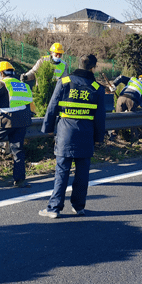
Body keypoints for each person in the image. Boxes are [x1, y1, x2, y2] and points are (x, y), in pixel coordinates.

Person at [39, 54, 106, 219]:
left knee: (62, 171)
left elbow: (52, 107)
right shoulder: (97, 88)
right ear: (93, 67)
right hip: (86, 135)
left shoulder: (64, 82)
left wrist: (47, 128)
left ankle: (54, 208)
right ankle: (79, 206)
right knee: (82, 173)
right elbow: (100, 117)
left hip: (65, 134)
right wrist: (98, 138)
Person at [0, 61, 34, 187]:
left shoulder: (2, 83)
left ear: (1, 73)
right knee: (17, 149)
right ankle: (19, 179)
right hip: (23, 120)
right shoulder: (21, 84)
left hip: (7, 121)